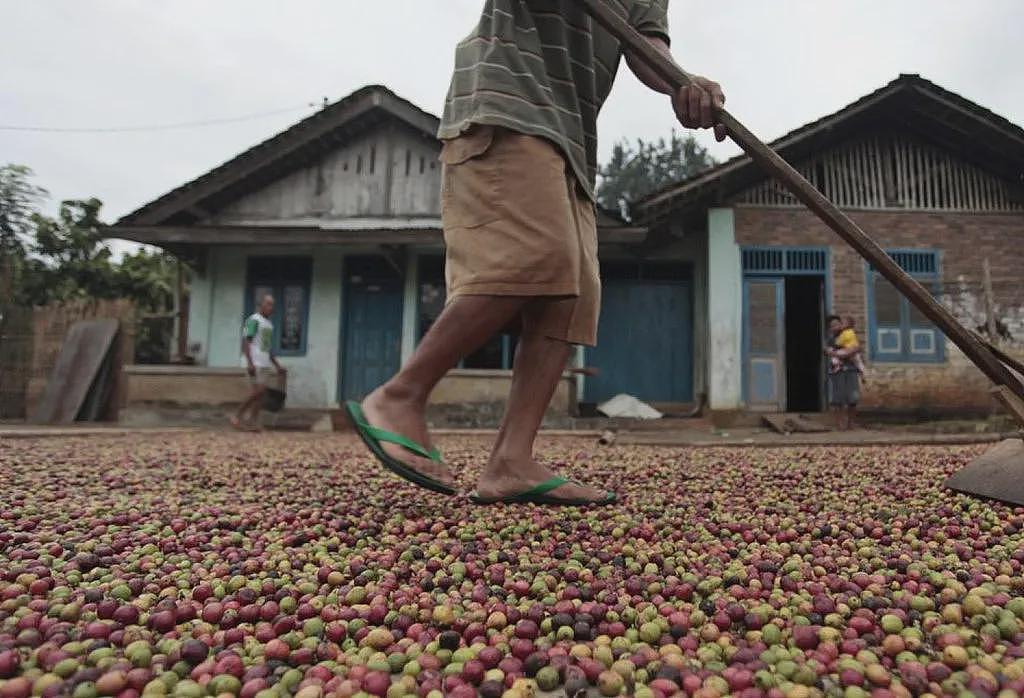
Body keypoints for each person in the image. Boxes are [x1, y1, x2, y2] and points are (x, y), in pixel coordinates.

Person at [346, 0, 727, 505]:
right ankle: (401, 395)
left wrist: (684, 82)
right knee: (535, 255)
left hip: (571, 136)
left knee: (572, 295)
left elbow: (643, 44)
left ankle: (511, 461)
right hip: (509, 102)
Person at [231, 294, 285, 431]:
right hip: (254, 362)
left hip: (264, 362)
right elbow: (246, 342)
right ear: (261, 305)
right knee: (258, 391)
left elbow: (267, 347)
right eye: (268, 304)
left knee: (260, 395)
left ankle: (253, 421)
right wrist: (249, 363)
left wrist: (277, 365)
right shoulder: (253, 320)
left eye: (272, 305)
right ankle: (237, 414)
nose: (271, 308)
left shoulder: (269, 325)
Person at [826, 314, 862, 431]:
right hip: (837, 371)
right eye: (833, 326)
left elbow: (856, 348)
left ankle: (851, 423)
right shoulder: (831, 340)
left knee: (853, 399)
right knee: (838, 399)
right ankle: (839, 424)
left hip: (851, 369)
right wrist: (841, 353)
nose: (836, 327)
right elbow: (829, 351)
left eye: (838, 324)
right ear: (830, 329)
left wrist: (849, 351)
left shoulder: (849, 335)